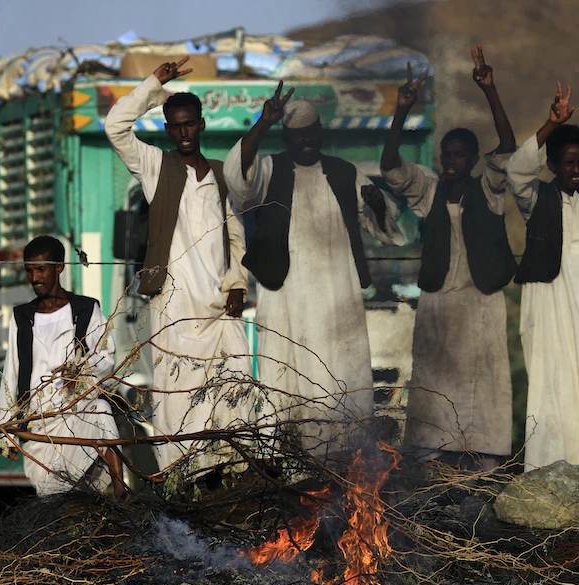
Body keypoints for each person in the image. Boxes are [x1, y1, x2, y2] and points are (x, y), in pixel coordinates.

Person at [223, 80, 404, 455]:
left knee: (342, 378)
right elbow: (237, 182)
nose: (305, 141)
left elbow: (385, 223)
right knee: (287, 380)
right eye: (297, 135)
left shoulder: (344, 171)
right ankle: (289, 462)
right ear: (287, 138)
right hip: (286, 293)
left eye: (311, 134)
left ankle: (346, 460)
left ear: (320, 134)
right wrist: (263, 122)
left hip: (337, 296)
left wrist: (378, 202)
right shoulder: (270, 169)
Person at [105, 56, 253, 473]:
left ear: (201, 124)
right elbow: (115, 126)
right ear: (168, 128)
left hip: (220, 306)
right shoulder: (155, 166)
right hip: (174, 303)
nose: (184, 132)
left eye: (190, 123)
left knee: (234, 388)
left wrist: (237, 284)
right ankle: (182, 477)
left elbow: (235, 235)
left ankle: (233, 474)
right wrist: (154, 83)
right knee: (178, 395)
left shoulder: (223, 174)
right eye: (176, 125)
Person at [381, 49, 517, 469]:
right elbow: (390, 167)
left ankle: (486, 462)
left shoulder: (490, 189)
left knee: (485, 380)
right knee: (433, 382)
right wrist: (402, 110)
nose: (451, 160)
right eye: (446, 154)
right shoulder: (429, 190)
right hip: (440, 302)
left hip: (480, 302)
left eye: (459, 155)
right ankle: (430, 465)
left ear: (474, 159)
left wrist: (490, 90)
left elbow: (509, 147)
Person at [0, 236, 124, 497]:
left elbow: (106, 357)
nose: (34, 277)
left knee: (101, 410)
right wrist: (3, 430)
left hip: (76, 408)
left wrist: (81, 372)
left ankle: (122, 492)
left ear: (59, 267)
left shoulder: (86, 309)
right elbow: (12, 372)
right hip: (38, 421)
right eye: (29, 270)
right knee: (54, 497)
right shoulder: (21, 317)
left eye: (41, 269)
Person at [506, 80, 579, 470]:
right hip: (550, 307)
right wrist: (551, 124)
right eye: (568, 163)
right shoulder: (537, 198)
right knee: (551, 382)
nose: (576, 170)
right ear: (552, 166)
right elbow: (516, 170)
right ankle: (549, 470)